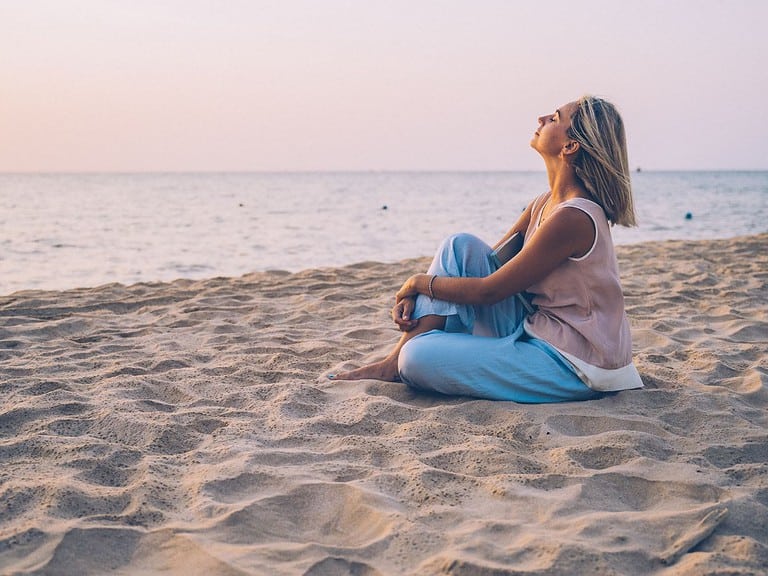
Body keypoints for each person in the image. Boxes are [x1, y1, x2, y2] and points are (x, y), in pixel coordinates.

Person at [329, 95, 643, 402]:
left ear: (570, 146)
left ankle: (405, 358)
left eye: (556, 118)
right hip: (539, 329)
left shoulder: (573, 217)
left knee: (416, 358)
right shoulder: (543, 204)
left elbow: (488, 292)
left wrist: (416, 284)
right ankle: (392, 361)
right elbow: (482, 267)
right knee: (458, 247)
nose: (542, 119)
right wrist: (425, 296)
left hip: (577, 363)